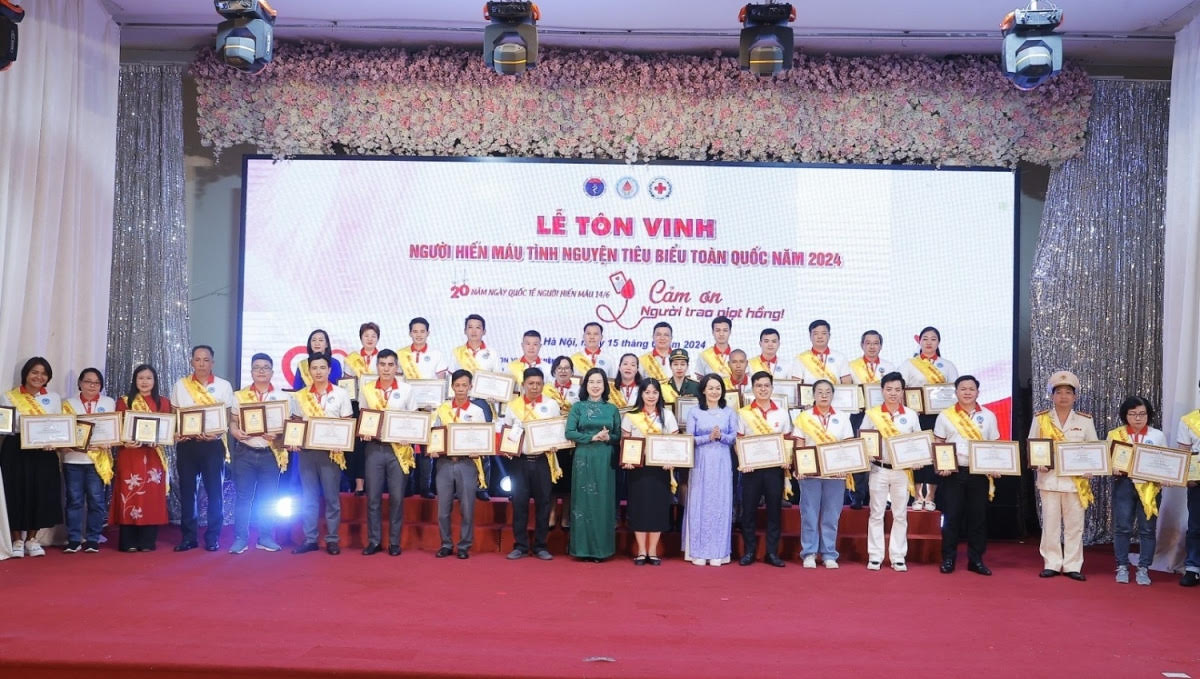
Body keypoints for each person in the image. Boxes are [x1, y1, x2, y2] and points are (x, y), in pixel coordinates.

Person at [1029, 370, 1097, 581]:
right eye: (1059, 392)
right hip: (1049, 480)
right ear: (1052, 396)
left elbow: (1093, 449)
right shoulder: (1041, 419)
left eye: (1068, 392)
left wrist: (1091, 468)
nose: (1064, 396)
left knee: (1075, 525)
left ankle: (1072, 565)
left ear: (1075, 396)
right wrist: (1037, 463)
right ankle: (1051, 563)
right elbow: (1032, 446)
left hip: (1076, 482)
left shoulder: (1085, 420)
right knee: (1050, 524)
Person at [170, 344, 236, 552]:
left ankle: (213, 537)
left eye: (206, 360)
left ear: (212, 362)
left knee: (215, 493)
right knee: (187, 492)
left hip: (213, 445)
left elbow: (227, 417)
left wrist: (217, 433)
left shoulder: (224, 386)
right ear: (191, 362)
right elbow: (174, 415)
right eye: (197, 359)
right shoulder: (180, 385)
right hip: (187, 446)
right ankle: (189, 537)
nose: (201, 364)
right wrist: (178, 432)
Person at [932, 375, 1001, 575]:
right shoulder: (945, 415)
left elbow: (994, 445)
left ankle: (976, 560)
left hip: (979, 474)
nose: (967, 392)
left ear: (978, 392)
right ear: (956, 392)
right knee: (951, 517)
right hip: (953, 473)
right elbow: (938, 443)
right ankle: (948, 559)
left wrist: (995, 465)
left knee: (978, 518)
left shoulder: (988, 415)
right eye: (963, 389)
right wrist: (941, 465)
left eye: (971, 389)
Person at [288, 352, 354, 555]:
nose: (318, 372)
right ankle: (311, 539)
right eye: (314, 368)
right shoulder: (301, 396)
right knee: (309, 497)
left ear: (329, 370)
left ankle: (332, 539)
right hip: (307, 453)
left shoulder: (341, 394)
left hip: (331, 454)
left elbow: (347, 423)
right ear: (309, 371)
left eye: (322, 367)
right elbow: (296, 423)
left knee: (332, 498)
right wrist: (293, 441)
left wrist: (341, 443)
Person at [1, 357, 64, 558]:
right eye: (34, 372)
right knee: (15, 492)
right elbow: (5, 427)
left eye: (43, 373)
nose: (39, 376)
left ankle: (32, 539)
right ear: (26, 374)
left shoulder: (53, 398)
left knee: (41, 492)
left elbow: (58, 425)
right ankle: (17, 539)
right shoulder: (9, 397)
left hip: (44, 451)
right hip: (16, 449)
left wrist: (55, 441)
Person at [228, 353, 287, 554]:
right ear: (251, 371)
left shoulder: (283, 397)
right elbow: (233, 421)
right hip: (245, 452)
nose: (261, 371)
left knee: (268, 498)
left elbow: (290, 428)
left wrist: (278, 435)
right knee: (243, 497)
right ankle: (240, 539)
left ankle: (266, 537)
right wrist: (235, 431)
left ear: (272, 372)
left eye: (265, 367)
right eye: (257, 367)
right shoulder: (240, 395)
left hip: (271, 453)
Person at [499, 368, 561, 560]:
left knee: (544, 503)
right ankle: (520, 546)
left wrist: (556, 443)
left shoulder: (551, 405)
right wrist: (507, 447)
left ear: (543, 385)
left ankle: (541, 546)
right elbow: (507, 431)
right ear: (523, 385)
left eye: (538, 383)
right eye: (531, 383)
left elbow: (557, 431)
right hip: (520, 462)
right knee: (519, 503)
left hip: (543, 460)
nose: (534, 387)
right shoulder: (513, 406)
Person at [358, 349, 415, 556]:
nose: (386, 369)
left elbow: (413, 419)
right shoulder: (367, 389)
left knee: (397, 498)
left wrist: (409, 436)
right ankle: (374, 541)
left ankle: (394, 542)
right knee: (373, 497)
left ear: (396, 367)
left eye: (390, 364)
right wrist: (364, 431)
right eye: (382, 364)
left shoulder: (407, 390)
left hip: (398, 450)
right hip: (374, 448)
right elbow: (364, 416)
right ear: (377, 366)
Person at [863, 371, 922, 571]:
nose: (893, 393)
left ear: (903, 391)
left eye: (897, 389)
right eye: (889, 389)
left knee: (900, 514)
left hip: (902, 471)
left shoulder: (911, 415)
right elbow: (863, 440)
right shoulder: (872, 414)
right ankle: (875, 556)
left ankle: (898, 556)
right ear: (882, 391)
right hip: (878, 469)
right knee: (876, 513)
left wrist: (917, 459)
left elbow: (918, 443)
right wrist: (867, 453)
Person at [792, 379, 854, 568]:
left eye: (828, 392)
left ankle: (829, 554)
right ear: (813, 395)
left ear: (833, 395)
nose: (824, 395)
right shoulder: (804, 417)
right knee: (809, 515)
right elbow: (799, 444)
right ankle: (809, 553)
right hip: (810, 475)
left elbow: (848, 445)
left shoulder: (842, 417)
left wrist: (845, 466)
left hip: (835, 475)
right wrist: (799, 467)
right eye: (820, 392)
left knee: (831, 516)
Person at [430, 370, 490, 559]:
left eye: (465, 385)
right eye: (457, 385)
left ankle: (464, 545)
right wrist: (433, 448)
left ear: (470, 387)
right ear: (452, 387)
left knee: (467, 507)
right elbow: (434, 433)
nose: (461, 389)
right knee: (443, 509)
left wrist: (479, 450)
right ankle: (446, 544)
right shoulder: (442, 409)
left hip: (467, 463)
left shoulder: (477, 411)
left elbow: (483, 438)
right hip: (444, 463)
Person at [111, 364, 170, 553]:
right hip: (130, 454)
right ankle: (128, 540)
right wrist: (124, 441)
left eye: (149, 378)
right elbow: (117, 429)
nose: (145, 382)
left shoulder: (163, 402)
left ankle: (147, 541)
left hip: (153, 455)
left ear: (155, 381)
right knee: (129, 493)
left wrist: (159, 440)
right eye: (141, 378)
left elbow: (167, 430)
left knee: (151, 496)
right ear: (135, 381)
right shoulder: (124, 402)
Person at [1106, 396, 1165, 585]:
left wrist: (1168, 477)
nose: (1138, 418)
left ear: (1148, 414)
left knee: (1147, 529)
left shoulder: (1157, 435)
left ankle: (1144, 568)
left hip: (1150, 487)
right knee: (1122, 527)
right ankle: (1122, 566)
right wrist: (1112, 468)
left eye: (1142, 414)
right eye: (1133, 414)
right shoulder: (1115, 434)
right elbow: (1107, 461)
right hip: (1124, 484)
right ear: (1125, 415)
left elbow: (1166, 462)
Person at [900, 326, 959, 511]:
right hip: (916, 416)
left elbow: (955, 392)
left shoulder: (947, 365)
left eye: (933, 339)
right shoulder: (909, 364)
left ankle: (931, 495)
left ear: (938, 342)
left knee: (935, 454)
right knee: (917, 453)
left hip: (940, 417)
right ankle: (917, 495)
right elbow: (900, 388)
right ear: (919, 341)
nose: (929, 342)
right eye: (925, 338)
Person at [736, 371, 792, 567]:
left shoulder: (782, 413)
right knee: (748, 511)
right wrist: (744, 461)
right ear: (752, 388)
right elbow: (739, 441)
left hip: (774, 469)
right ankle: (749, 551)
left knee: (774, 511)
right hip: (751, 470)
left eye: (766, 385)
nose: (762, 389)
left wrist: (786, 459)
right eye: (758, 386)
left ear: (772, 388)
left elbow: (787, 441)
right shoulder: (744, 413)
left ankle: (772, 553)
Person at [566, 368, 622, 562]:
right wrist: (592, 437)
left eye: (599, 382)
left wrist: (608, 438)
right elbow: (569, 432)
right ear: (585, 385)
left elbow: (618, 436)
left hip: (605, 458)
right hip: (583, 457)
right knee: (583, 502)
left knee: (603, 502)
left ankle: (601, 551)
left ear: (605, 385)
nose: (595, 386)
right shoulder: (578, 407)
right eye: (591, 382)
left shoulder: (612, 409)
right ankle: (581, 550)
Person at [684, 374, 739, 566]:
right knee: (699, 502)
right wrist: (708, 437)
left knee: (720, 503)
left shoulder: (729, 412)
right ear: (703, 390)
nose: (714, 391)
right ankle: (698, 551)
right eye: (710, 388)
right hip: (701, 462)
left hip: (722, 462)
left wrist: (721, 436)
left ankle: (719, 552)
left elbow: (734, 438)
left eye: (718, 388)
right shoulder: (694, 412)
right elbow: (689, 439)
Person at [620, 378, 677, 565]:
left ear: (659, 394)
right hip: (638, 470)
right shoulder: (631, 416)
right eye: (647, 392)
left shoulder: (667, 415)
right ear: (641, 394)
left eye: (654, 392)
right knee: (639, 509)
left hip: (660, 470)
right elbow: (624, 441)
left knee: (657, 509)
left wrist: (671, 461)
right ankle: (641, 551)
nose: (651, 396)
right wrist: (627, 460)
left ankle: (652, 551)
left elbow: (674, 443)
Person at [61, 367, 115, 553]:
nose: (92, 385)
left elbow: (113, 430)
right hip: (73, 460)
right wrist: (64, 444)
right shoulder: (69, 403)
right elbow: (63, 431)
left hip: (97, 461)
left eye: (96, 383)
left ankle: (93, 538)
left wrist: (109, 441)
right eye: (88, 381)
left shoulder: (108, 402)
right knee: (74, 501)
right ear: (80, 383)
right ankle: (74, 539)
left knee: (96, 501)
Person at [397, 317, 448, 500]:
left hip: (429, 408)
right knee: (407, 447)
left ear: (428, 333)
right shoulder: (401, 355)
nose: (418, 335)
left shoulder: (436, 354)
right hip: (408, 408)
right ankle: (408, 485)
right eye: (415, 331)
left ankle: (425, 486)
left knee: (427, 449)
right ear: (410, 333)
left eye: (422, 331)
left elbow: (442, 382)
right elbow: (398, 381)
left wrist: (434, 402)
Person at [451, 314, 500, 501]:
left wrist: (495, 395)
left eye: (478, 327)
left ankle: (482, 486)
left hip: (483, 402)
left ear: (484, 331)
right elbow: (451, 379)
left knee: (483, 444)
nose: (474, 331)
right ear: (465, 330)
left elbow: (498, 380)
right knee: (458, 444)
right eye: (470, 327)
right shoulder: (456, 352)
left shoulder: (492, 353)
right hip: (460, 401)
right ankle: (458, 487)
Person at [846, 330, 894, 509]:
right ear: (862, 345)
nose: (872, 346)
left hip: (883, 415)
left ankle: (880, 497)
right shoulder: (851, 366)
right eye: (868, 343)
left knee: (881, 454)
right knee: (859, 453)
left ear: (881, 346)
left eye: (876, 343)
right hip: (859, 414)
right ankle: (857, 495)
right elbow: (845, 392)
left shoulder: (889, 366)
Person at [344, 322, 382, 497]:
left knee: (374, 445)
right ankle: (359, 485)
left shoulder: (383, 357)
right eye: (366, 335)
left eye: (373, 336)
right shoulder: (352, 358)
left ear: (378, 338)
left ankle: (376, 484)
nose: (370, 339)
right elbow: (347, 384)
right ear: (361, 337)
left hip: (378, 404)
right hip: (357, 405)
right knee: (358, 446)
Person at [546, 355, 578, 528]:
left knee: (569, 480)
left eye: (567, 368)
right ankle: (551, 514)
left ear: (572, 371)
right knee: (552, 479)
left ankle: (566, 515)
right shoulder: (546, 390)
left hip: (571, 441)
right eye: (560, 368)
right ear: (554, 371)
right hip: (551, 441)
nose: (563, 371)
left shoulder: (580, 391)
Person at [1176, 381, 1200, 587]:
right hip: (1198, 481)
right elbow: (1184, 452)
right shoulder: (1189, 421)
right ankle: (1193, 567)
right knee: (1195, 526)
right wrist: (1187, 477)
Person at [789, 319, 852, 385]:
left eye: (824, 333)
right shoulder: (800, 359)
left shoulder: (840, 357)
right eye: (816, 334)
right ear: (810, 336)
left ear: (829, 335)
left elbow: (847, 383)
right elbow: (796, 385)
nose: (820, 337)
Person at [692, 316, 734, 382]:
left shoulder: (738, 355)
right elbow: (699, 379)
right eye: (718, 330)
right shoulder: (704, 355)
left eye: (725, 330)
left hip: (733, 389)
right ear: (712, 332)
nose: (721, 334)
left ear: (730, 332)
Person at [640, 321, 674, 387]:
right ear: (653, 337)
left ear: (671, 338)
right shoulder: (643, 359)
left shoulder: (679, 358)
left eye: (666, 335)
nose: (662, 338)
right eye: (658, 335)